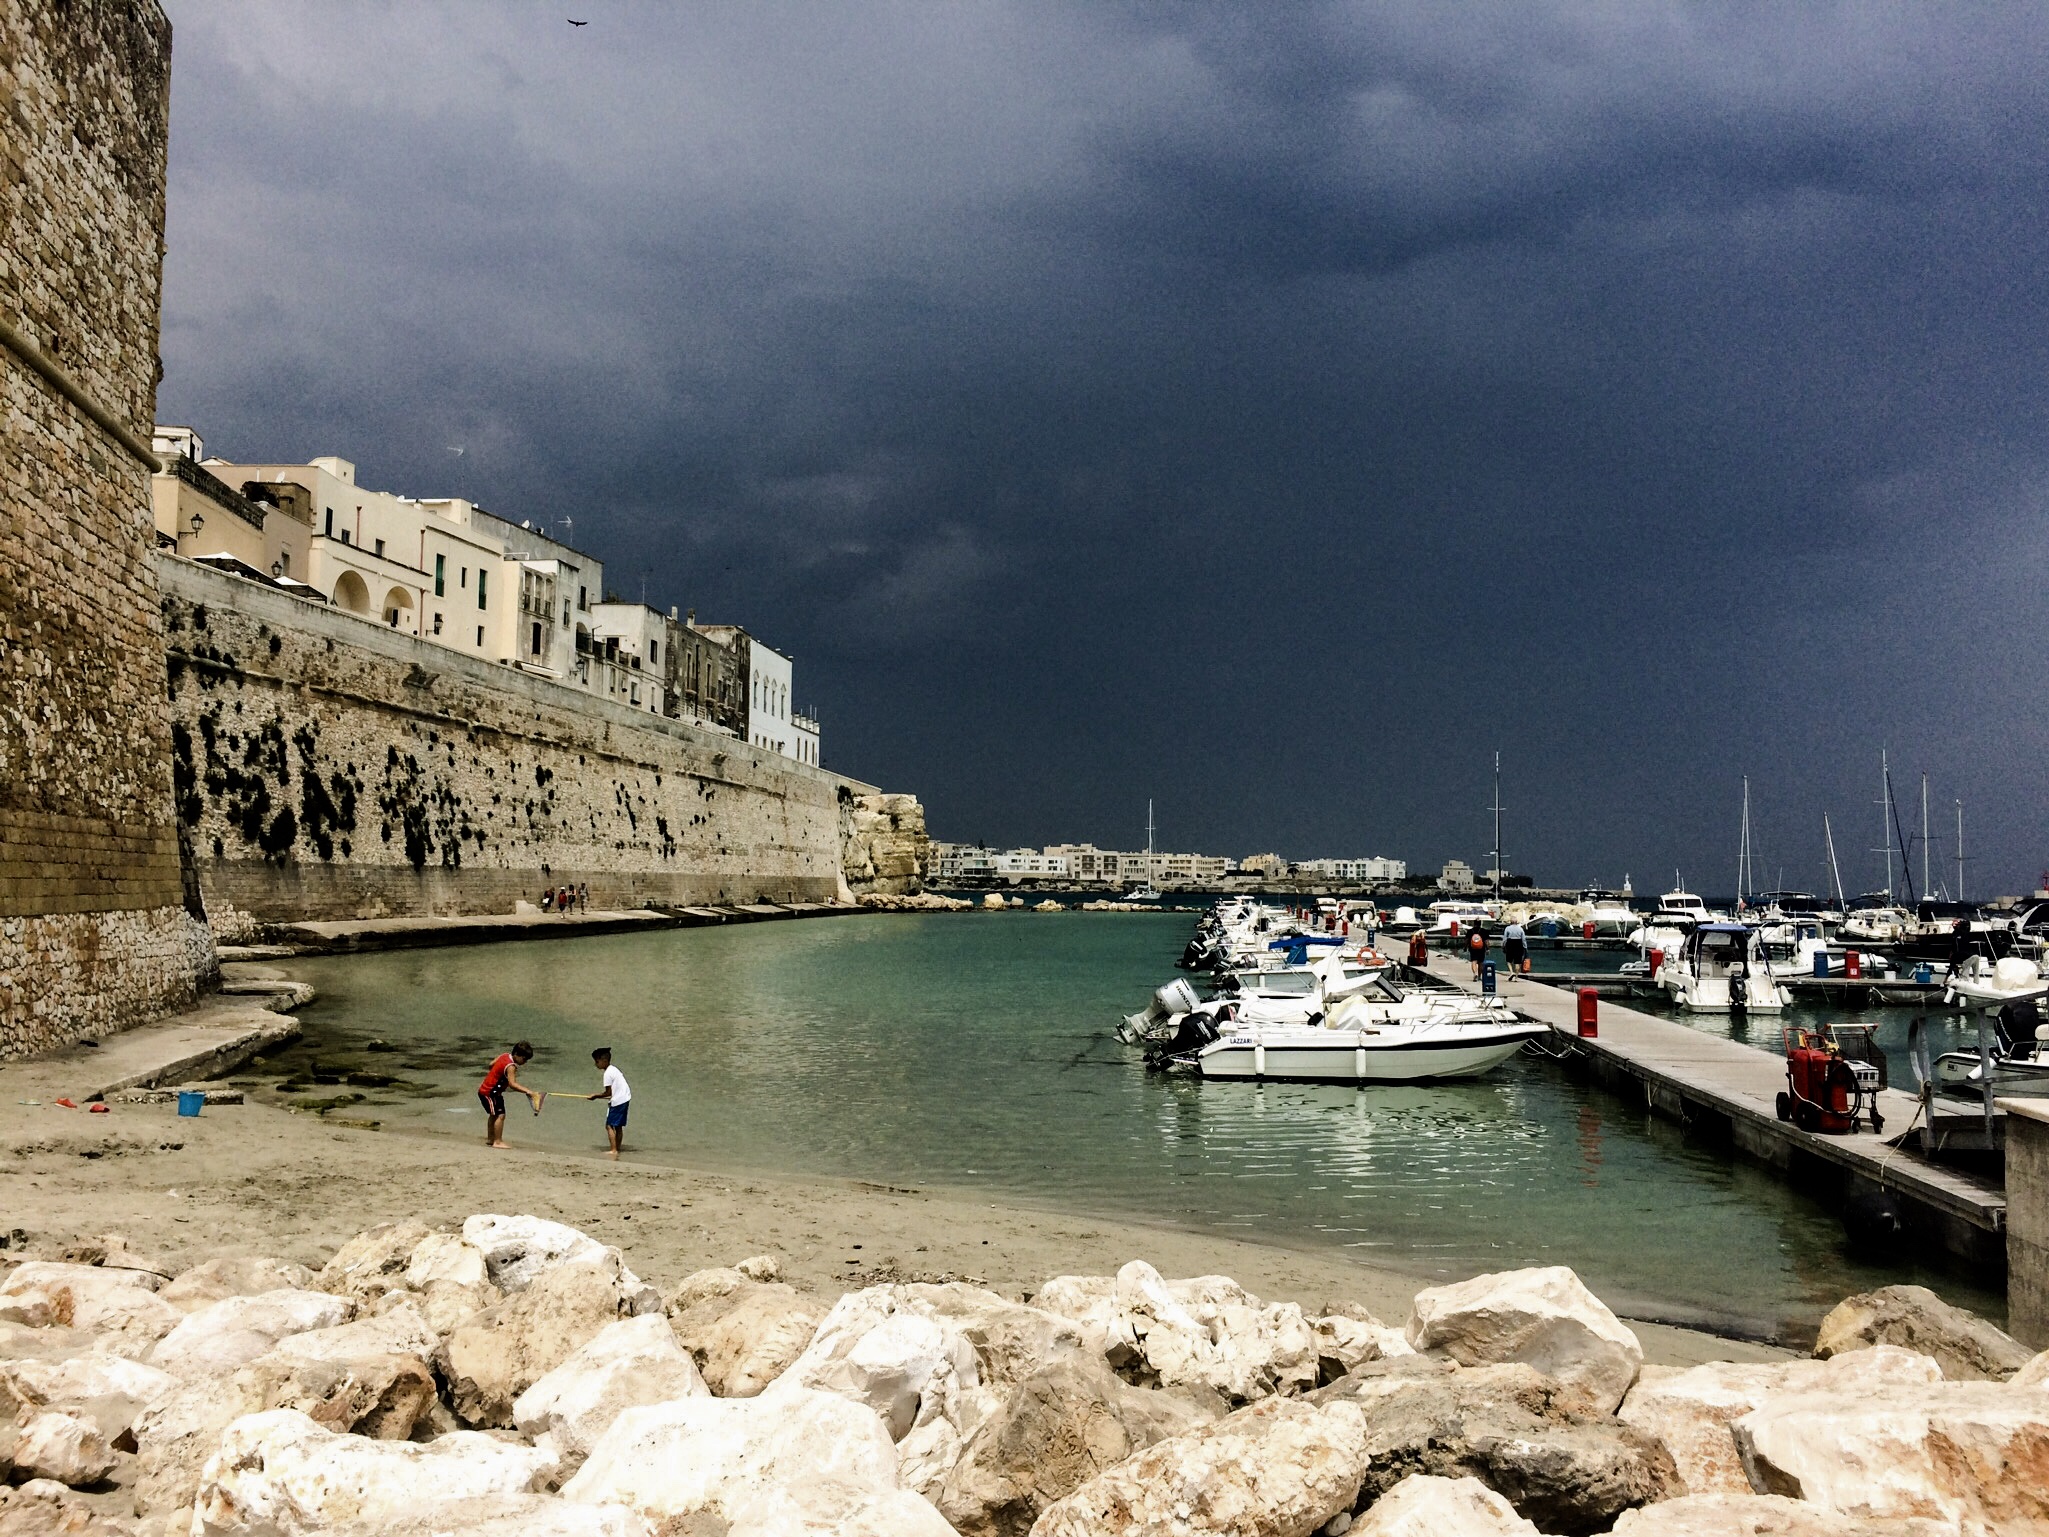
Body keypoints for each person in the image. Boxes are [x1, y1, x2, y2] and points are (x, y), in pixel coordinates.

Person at [478, 1041, 542, 1149]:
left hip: (487, 1091)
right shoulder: (511, 1067)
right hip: (490, 1092)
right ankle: (497, 1141)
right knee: (500, 1115)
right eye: (524, 1059)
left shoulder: (504, 1055)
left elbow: (491, 1065)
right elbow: (512, 1084)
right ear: (517, 1054)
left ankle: (491, 1139)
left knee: (494, 1115)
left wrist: (496, 1074)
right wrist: (528, 1091)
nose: (525, 1062)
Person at [576, 1046, 631, 1159]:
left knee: (609, 1126)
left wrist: (595, 1096)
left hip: (619, 1100)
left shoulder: (607, 1074)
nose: (596, 1064)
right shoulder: (614, 1069)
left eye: (597, 1061)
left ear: (604, 1061)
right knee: (618, 1126)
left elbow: (608, 1093)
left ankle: (613, 1150)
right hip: (625, 1098)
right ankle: (617, 1148)